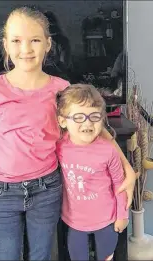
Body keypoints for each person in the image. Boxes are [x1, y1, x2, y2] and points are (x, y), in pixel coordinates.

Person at [0, 6, 135, 261]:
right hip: (3, 193)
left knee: (41, 255)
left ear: (48, 44)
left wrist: (128, 169)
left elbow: (96, 129)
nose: (26, 49)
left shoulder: (61, 89)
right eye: (16, 40)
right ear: (6, 45)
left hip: (46, 189)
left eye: (35, 40)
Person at [56, 84, 129, 261]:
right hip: (74, 221)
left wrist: (122, 216)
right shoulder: (59, 147)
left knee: (106, 257)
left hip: (106, 219)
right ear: (63, 121)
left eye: (95, 116)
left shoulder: (108, 150)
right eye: (79, 117)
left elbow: (120, 184)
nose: (88, 123)